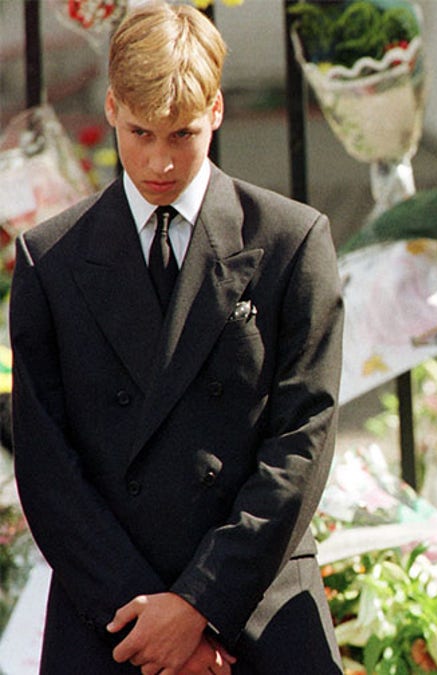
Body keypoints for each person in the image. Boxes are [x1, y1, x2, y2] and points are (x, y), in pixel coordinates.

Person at [9, 3, 344, 673]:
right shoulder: (52, 259)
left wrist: (199, 605)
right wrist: (147, 619)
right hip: (109, 619)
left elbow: (302, 441)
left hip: (256, 609)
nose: (161, 161)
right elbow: (46, 464)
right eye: (140, 132)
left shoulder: (290, 241)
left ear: (216, 111)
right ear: (110, 108)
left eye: (184, 134)